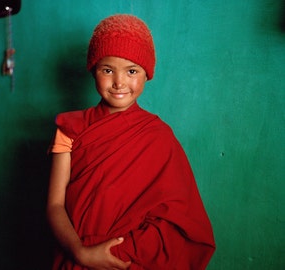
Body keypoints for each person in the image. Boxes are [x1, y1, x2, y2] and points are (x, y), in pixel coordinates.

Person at [47, 14, 215, 270]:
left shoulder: (158, 137)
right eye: (107, 70)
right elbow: (55, 205)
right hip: (77, 252)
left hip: (128, 259)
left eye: (132, 71)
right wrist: (81, 253)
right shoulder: (70, 129)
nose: (119, 82)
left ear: (147, 75)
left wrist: (129, 250)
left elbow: (178, 216)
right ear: (93, 70)